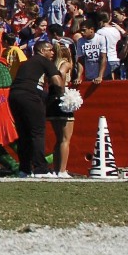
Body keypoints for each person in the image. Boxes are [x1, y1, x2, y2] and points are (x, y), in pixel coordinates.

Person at [9, 40, 66, 177]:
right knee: (37, 132)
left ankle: (24, 169)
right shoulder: (43, 61)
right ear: (42, 50)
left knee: (24, 134)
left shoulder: (26, 63)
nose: (53, 53)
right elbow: (57, 82)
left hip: (14, 95)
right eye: (50, 50)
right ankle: (41, 169)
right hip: (30, 96)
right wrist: (63, 96)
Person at [47, 40, 78, 178]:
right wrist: (63, 91)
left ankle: (56, 169)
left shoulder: (51, 64)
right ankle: (62, 170)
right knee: (65, 139)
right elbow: (62, 73)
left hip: (51, 101)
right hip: (62, 101)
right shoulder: (65, 63)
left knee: (59, 139)